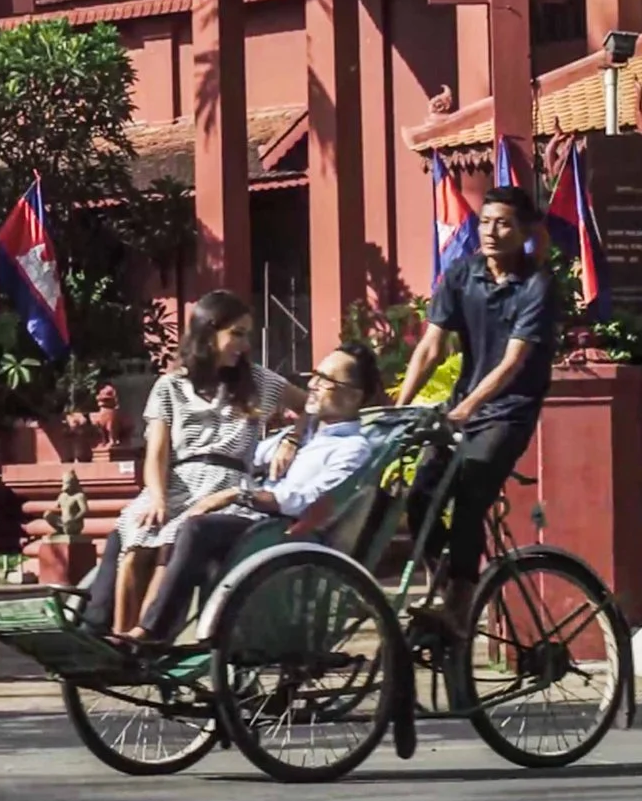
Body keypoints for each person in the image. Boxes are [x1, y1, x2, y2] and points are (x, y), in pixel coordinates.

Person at [120, 340, 382, 643]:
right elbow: (247, 456)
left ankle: (152, 632)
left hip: (279, 531)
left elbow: (306, 502)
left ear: (354, 395)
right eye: (315, 375)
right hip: (250, 517)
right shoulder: (300, 435)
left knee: (195, 529)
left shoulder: (352, 449)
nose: (312, 384)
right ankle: (103, 629)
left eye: (326, 381)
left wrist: (235, 494)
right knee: (145, 521)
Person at [79, 292, 301, 638]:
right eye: (237, 333)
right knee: (131, 530)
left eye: (246, 335)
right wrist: (156, 496)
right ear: (209, 332)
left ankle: (146, 634)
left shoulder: (259, 381)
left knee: (177, 531)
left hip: (228, 487)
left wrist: (292, 439)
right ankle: (98, 630)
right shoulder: (170, 386)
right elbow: (157, 453)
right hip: (178, 480)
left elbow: (313, 406)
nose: (244, 345)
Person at [397, 184, 557, 632]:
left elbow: (513, 362)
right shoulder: (461, 274)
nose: (491, 231)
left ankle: (461, 605)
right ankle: (447, 582)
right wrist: (400, 407)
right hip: (461, 408)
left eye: (503, 223)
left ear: (523, 231)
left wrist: (467, 407)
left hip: (508, 412)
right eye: (485, 221)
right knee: (421, 494)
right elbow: (431, 348)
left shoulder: (537, 286)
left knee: (469, 493)